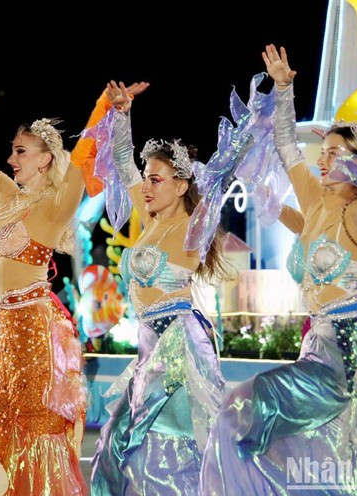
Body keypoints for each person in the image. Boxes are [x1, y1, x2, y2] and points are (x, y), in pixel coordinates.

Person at [200, 44, 357, 494]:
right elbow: (288, 145)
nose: (323, 159)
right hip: (319, 344)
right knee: (304, 452)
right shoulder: (316, 200)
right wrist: (285, 88)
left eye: (334, 152)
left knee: (247, 414)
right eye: (324, 151)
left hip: (352, 352)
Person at [0, 90, 91, 495]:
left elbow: (80, 161)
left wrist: (105, 107)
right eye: (12, 151)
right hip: (9, 332)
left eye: (21, 152)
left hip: (37, 331)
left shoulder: (54, 206)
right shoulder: (10, 198)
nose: (11, 159)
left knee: (36, 426)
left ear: (45, 159)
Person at [88, 81, 227, 495]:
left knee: (165, 452)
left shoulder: (192, 226)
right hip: (151, 349)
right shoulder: (151, 220)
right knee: (115, 449)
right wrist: (122, 114)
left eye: (156, 179)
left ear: (182, 185)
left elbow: (218, 177)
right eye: (147, 179)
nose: (146, 187)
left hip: (178, 347)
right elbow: (121, 161)